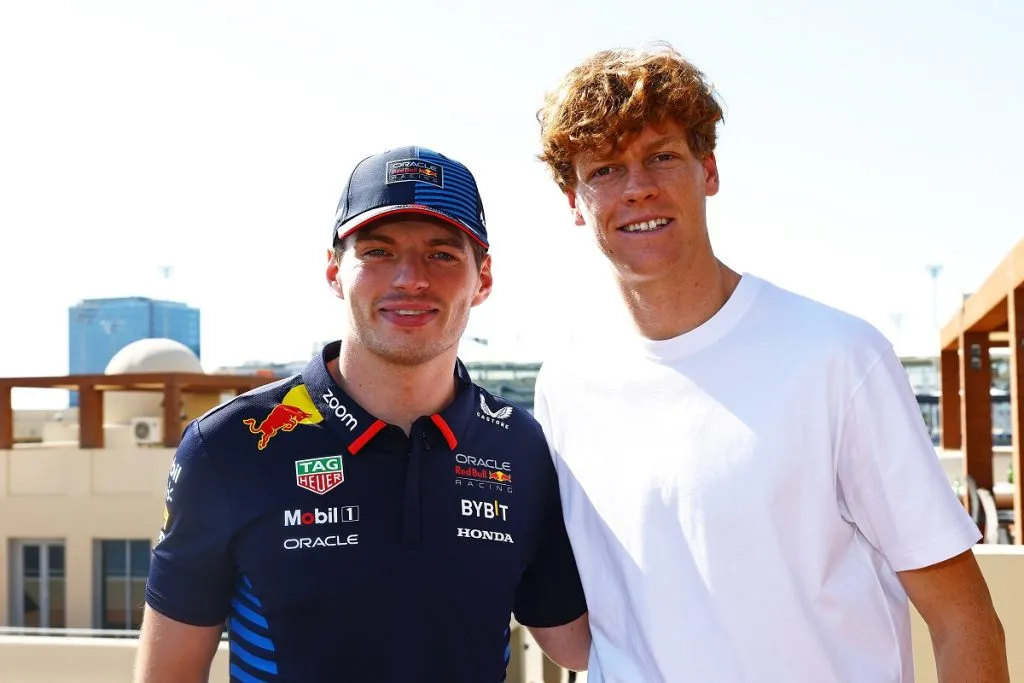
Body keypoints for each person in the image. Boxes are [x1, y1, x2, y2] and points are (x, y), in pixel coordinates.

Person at [532, 43, 1008, 683]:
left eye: (661, 157)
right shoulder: (565, 385)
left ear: (710, 170)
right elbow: (589, 629)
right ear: (573, 201)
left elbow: (964, 623)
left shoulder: (837, 358)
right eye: (605, 171)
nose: (638, 188)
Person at [134, 146, 590, 682]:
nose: (409, 279)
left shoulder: (520, 445)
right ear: (334, 271)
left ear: (482, 279)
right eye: (377, 252)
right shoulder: (231, 444)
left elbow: (578, 645)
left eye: (442, 254)